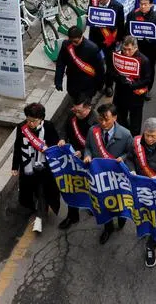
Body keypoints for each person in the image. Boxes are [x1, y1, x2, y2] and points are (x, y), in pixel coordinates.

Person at [127, 117, 156, 266]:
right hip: (139, 188)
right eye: (147, 135)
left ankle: (151, 246)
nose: (149, 138)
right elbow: (129, 158)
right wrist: (132, 169)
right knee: (141, 213)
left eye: (153, 136)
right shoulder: (135, 143)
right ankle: (143, 229)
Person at [85, 103, 133, 243]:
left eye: (106, 119)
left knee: (118, 201)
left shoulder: (125, 134)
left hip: (117, 177)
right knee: (103, 203)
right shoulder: (93, 131)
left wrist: (122, 158)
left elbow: (130, 153)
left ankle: (121, 217)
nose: (103, 123)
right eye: (100, 119)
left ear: (115, 118)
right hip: (99, 176)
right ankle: (108, 227)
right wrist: (87, 155)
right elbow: (87, 147)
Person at [11, 102, 60, 234]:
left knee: (42, 191)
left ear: (41, 119)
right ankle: (32, 208)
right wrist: (15, 166)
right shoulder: (22, 128)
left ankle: (39, 218)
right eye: (28, 120)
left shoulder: (49, 127)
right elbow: (17, 147)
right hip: (28, 166)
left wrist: (60, 143)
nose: (30, 123)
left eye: (34, 121)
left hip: (44, 168)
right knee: (29, 191)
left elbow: (55, 143)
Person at [57, 97, 96, 229]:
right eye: (75, 110)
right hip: (72, 156)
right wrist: (62, 139)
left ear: (88, 107)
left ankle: (90, 205)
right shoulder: (73, 114)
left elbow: (97, 146)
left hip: (88, 159)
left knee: (89, 186)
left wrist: (82, 151)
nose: (77, 113)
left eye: (80, 111)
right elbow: (63, 128)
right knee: (72, 185)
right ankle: (72, 216)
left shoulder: (96, 122)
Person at [109, 36, 153, 135]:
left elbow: (147, 80)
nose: (126, 52)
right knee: (120, 119)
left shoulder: (144, 60)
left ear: (136, 48)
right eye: (124, 49)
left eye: (129, 50)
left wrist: (132, 84)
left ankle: (134, 142)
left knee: (135, 123)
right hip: (120, 94)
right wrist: (119, 78)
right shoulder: (118, 56)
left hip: (135, 96)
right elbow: (112, 71)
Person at [54, 26, 105, 103]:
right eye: (72, 41)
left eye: (76, 42)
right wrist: (58, 80)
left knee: (83, 107)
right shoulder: (66, 44)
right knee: (75, 102)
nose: (74, 44)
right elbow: (61, 63)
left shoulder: (92, 48)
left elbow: (100, 68)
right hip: (72, 82)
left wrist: (99, 84)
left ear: (81, 36)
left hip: (87, 84)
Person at [126, 0, 156, 81]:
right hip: (136, 48)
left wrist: (151, 39)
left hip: (151, 49)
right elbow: (127, 30)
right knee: (135, 68)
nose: (143, 6)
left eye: (145, 4)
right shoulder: (132, 15)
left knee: (149, 69)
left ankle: (147, 88)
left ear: (151, 4)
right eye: (141, 4)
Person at [87, 0, 126, 64]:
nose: (100, 1)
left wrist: (119, 39)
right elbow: (89, 13)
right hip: (94, 36)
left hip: (109, 38)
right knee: (92, 60)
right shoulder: (93, 0)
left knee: (110, 62)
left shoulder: (118, 7)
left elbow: (120, 24)